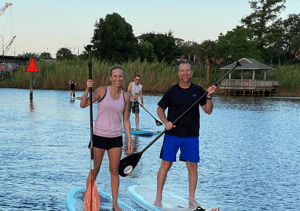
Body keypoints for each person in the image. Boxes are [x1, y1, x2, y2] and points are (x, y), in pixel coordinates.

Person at [154, 62, 216, 209]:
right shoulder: (172, 91)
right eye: (182, 71)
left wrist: (209, 97)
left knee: (193, 167)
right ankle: (158, 197)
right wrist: (165, 122)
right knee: (165, 165)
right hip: (172, 134)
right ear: (178, 73)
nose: (185, 73)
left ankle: (192, 199)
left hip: (191, 135)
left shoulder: (198, 90)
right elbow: (159, 109)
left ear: (191, 73)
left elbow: (208, 110)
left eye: (187, 71)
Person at [80, 65, 133, 211]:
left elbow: (126, 120)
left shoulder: (126, 96)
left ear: (123, 78)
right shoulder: (102, 91)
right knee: (95, 169)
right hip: (99, 136)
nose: (118, 78)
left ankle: (115, 204)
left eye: (120, 76)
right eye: (115, 76)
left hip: (116, 138)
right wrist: (87, 89)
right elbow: (83, 104)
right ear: (110, 77)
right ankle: (89, 198)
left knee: (114, 171)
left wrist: (129, 140)